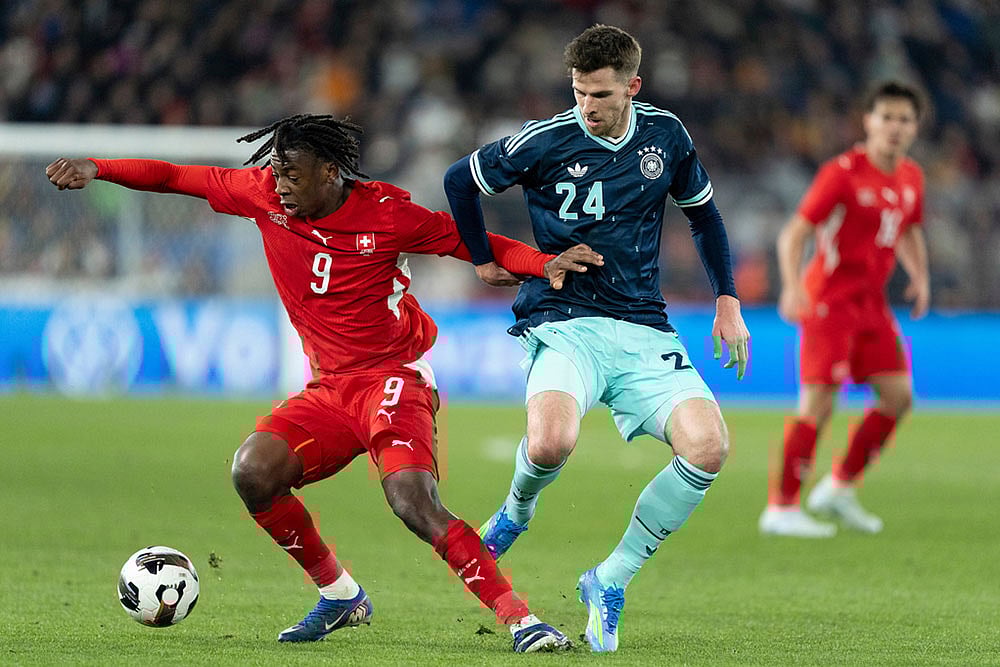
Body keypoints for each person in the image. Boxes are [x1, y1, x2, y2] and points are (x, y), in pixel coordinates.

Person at [45, 114, 604, 652]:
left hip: (393, 378)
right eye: (277, 171)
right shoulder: (263, 195)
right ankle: (340, 595)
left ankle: (521, 620)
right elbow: (173, 177)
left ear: (331, 172)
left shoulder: (387, 214)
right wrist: (98, 167)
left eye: (292, 173)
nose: (280, 184)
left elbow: (472, 243)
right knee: (253, 472)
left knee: (412, 500)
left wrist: (542, 263)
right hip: (331, 390)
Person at [442, 25, 750, 653]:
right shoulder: (545, 140)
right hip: (564, 320)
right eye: (579, 92)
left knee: (709, 447)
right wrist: (483, 259)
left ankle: (610, 578)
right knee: (550, 442)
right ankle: (517, 511)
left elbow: (704, 217)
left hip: (642, 325)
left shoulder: (666, 135)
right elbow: (458, 181)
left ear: (633, 86)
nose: (587, 106)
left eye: (601, 94)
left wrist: (727, 298)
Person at [758, 81, 930, 538]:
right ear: (868, 121)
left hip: (871, 304)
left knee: (898, 397)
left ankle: (838, 487)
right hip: (829, 300)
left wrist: (920, 275)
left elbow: (909, 228)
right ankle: (781, 506)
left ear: (915, 127)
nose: (895, 127)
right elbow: (794, 233)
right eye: (887, 117)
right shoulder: (842, 173)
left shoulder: (911, 177)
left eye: (905, 119)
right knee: (819, 402)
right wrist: (792, 286)